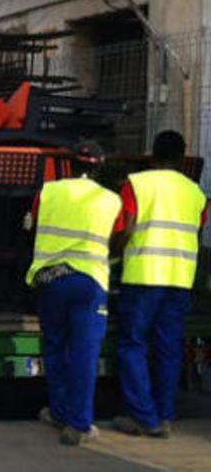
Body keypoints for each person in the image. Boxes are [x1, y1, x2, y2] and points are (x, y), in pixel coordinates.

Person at [25, 142, 121, 446]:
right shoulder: (110, 199)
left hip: (50, 279)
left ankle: (59, 411)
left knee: (54, 345)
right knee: (84, 350)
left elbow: (34, 223)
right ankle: (79, 423)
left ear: (69, 164)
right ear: (98, 167)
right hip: (89, 280)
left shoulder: (49, 191)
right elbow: (117, 234)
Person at [113, 131, 207, 438]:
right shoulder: (195, 192)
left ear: (153, 154)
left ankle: (144, 416)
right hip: (179, 278)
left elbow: (126, 226)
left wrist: (113, 252)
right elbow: (197, 230)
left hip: (143, 275)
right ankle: (164, 415)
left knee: (133, 344)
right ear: (182, 159)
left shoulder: (138, 184)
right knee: (169, 347)